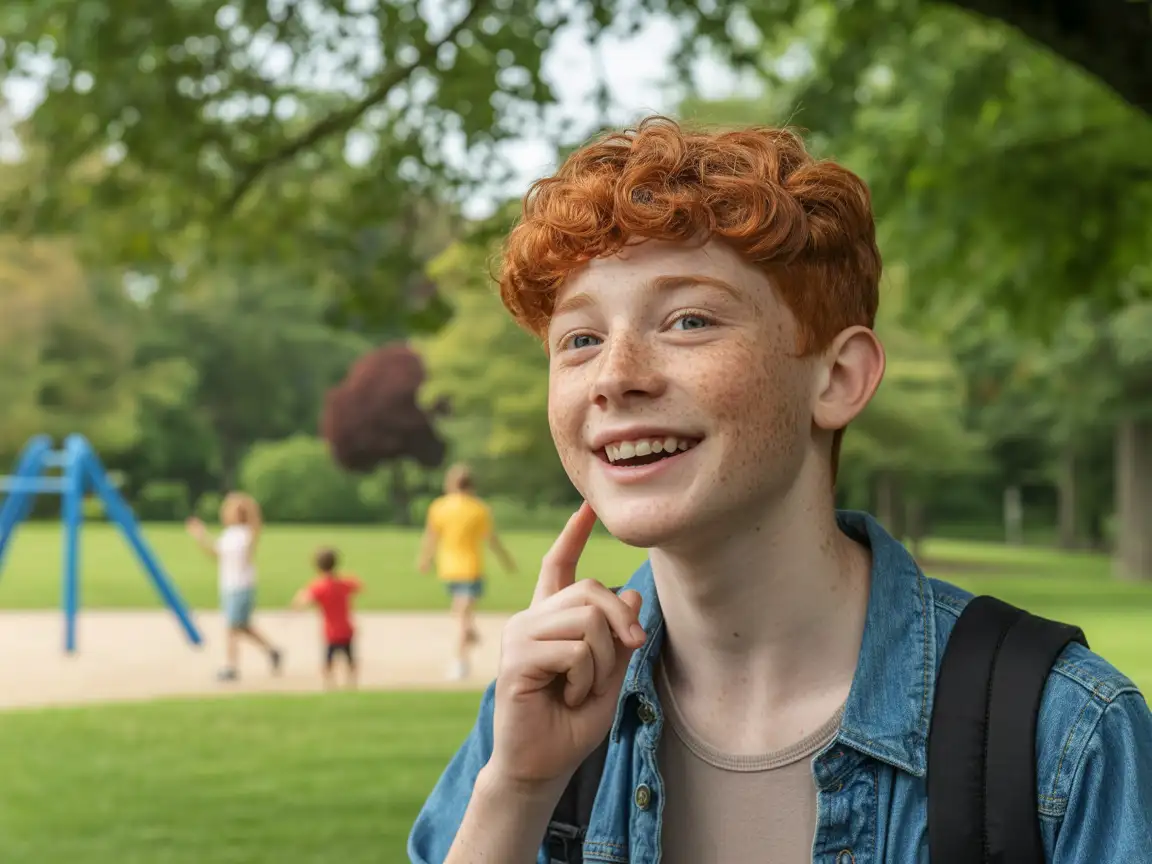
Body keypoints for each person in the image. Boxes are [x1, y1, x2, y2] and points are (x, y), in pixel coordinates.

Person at [408, 117, 1152, 863]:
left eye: (689, 320)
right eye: (581, 339)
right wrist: (517, 788)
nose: (614, 376)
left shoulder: (1063, 733)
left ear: (838, 379)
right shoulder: (539, 707)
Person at [418, 464, 517, 681]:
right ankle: (467, 642)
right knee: (462, 616)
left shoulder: (439, 507)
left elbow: (431, 537)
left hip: (448, 568)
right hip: (471, 568)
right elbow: (491, 539)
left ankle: (461, 659)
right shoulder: (478, 509)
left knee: (461, 614)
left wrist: (425, 560)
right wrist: (506, 560)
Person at [186, 492, 283, 682]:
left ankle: (231, 667)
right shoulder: (228, 535)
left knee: (231, 627)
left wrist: (249, 506)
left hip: (241, 586)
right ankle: (273, 651)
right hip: (229, 585)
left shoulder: (246, 533)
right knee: (243, 626)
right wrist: (200, 536)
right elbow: (215, 555)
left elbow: (256, 526)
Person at [291, 547, 363, 690]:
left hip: (330, 631)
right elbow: (358, 585)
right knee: (349, 657)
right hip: (347, 629)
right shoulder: (343, 583)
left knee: (329, 659)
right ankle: (351, 683)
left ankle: (330, 684)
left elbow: (303, 601)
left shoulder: (320, 586)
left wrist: (297, 600)